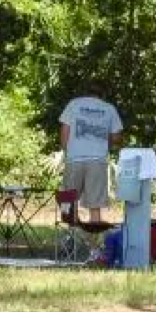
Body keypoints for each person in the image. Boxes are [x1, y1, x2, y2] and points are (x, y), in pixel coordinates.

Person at [58, 84, 123, 224]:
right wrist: (104, 137)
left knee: (69, 201)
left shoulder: (74, 104)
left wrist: (67, 151)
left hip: (74, 159)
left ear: (86, 93)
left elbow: (64, 131)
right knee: (95, 205)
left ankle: (71, 241)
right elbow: (117, 137)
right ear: (102, 95)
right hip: (97, 161)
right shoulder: (109, 108)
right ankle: (94, 243)